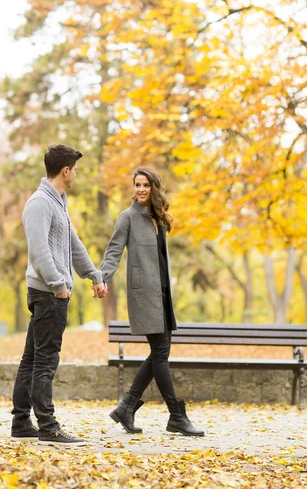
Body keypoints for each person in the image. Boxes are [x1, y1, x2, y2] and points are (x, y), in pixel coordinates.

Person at [11, 144, 107, 447]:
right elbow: (39, 251)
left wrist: (93, 274)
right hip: (49, 294)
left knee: (31, 358)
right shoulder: (40, 203)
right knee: (45, 361)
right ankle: (48, 427)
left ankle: (21, 422)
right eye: (75, 169)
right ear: (65, 171)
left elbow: (73, 245)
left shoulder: (58, 203)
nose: (76, 174)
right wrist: (59, 285)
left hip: (50, 292)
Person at [99, 166, 204, 437]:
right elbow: (113, 251)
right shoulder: (127, 217)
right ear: (133, 188)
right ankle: (176, 415)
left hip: (164, 293)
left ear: (154, 187)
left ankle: (127, 406)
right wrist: (101, 278)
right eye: (137, 185)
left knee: (160, 353)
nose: (141, 189)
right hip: (145, 295)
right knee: (160, 354)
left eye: (146, 185)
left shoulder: (158, 218)